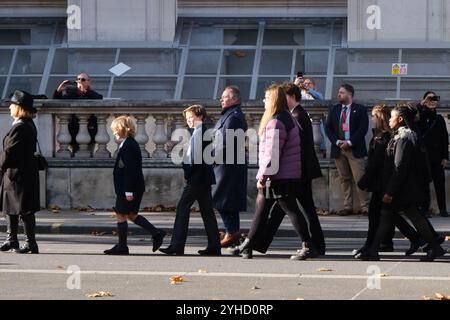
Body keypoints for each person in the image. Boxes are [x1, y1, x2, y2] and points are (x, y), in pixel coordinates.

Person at [233, 84, 315, 260]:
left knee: (292, 211)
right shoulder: (286, 118)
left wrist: (263, 176)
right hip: (284, 174)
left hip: (279, 176)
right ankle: (248, 244)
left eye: (267, 98)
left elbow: (271, 154)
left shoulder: (276, 122)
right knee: (262, 210)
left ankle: (307, 245)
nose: (264, 101)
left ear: (274, 101)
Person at [358, 103, 446, 262]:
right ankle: (434, 247)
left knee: (395, 218)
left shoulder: (404, 138)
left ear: (399, 119)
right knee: (396, 218)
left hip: (403, 189)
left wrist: (390, 192)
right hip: (402, 188)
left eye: (392, 117)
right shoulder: (400, 136)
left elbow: (400, 167)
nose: (389, 120)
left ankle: (373, 250)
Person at [251, 82, 325, 258]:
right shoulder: (293, 115)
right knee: (285, 209)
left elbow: (290, 148)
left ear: (291, 98)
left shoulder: (296, 116)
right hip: (296, 171)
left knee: (297, 210)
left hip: (298, 172)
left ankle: (313, 245)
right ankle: (258, 243)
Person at [160, 105, 221, 256]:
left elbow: (194, 159)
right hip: (203, 177)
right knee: (207, 213)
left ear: (200, 116)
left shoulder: (200, 133)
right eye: (187, 119)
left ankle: (177, 245)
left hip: (197, 178)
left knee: (182, 209)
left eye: (191, 118)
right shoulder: (200, 132)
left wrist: (187, 172)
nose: (189, 122)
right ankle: (214, 246)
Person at [104, 116, 166, 255]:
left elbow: (131, 170)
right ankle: (156, 233)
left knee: (121, 213)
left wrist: (128, 191)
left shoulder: (129, 145)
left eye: (115, 130)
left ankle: (122, 246)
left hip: (129, 188)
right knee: (131, 215)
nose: (114, 132)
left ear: (124, 129)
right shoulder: (127, 144)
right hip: (128, 187)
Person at [0, 90, 40, 254]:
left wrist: (1, 164)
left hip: (19, 174)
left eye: (12, 104)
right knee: (11, 208)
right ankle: (12, 239)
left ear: (19, 108)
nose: (9, 107)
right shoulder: (24, 124)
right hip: (18, 173)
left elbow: (10, 152)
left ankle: (30, 243)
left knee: (24, 209)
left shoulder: (21, 127)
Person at [325, 84, 370, 215]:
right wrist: (338, 142)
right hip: (339, 149)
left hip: (354, 149)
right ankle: (347, 206)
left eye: (342, 92)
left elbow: (363, 129)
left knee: (359, 178)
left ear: (350, 94)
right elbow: (328, 129)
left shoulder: (360, 109)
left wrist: (350, 142)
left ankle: (365, 206)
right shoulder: (335, 109)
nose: (339, 95)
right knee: (344, 178)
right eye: (339, 92)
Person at [212, 86, 248, 248]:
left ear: (234, 99)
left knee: (224, 200)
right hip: (225, 165)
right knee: (225, 200)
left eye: (225, 97)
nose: (221, 99)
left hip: (227, 166)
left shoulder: (233, 118)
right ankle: (231, 231)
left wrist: (210, 157)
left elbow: (226, 144)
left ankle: (232, 232)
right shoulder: (230, 116)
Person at [53, 72, 102, 154]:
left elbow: (99, 99)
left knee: (89, 155)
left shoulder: (91, 94)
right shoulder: (71, 94)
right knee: (74, 155)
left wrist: (86, 91)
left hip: (89, 132)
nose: (80, 81)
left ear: (88, 82)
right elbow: (56, 103)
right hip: (73, 132)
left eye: (83, 79)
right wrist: (59, 91)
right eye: (78, 79)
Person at [417, 91, 449, 217]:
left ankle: (443, 209)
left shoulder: (439, 118)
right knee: (424, 183)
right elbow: (414, 120)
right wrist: (421, 105)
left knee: (439, 183)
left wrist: (445, 157)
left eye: (435, 98)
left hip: (437, 156)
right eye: (429, 98)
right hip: (423, 155)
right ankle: (425, 209)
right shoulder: (420, 116)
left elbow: (444, 138)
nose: (432, 101)